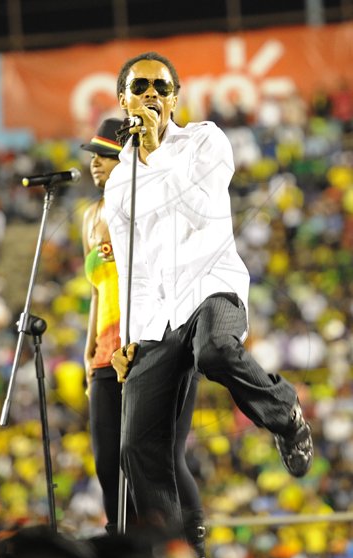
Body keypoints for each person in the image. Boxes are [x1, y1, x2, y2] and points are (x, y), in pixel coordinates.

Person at [104, 52, 314, 532]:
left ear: (175, 97)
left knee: (217, 351)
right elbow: (132, 267)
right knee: (136, 446)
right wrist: (127, 338)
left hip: (211, 289)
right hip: (156, 317)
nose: (151, 94)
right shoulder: (118, 183)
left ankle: (285, 414)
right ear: (124, 99)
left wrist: (155, 152)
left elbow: (205, 211)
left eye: (161, 86)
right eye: (140, 87)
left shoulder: (205, 140)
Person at [81, 118, 205, 558]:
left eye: (105, 154)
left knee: (162, 456)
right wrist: (89, 348)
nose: (95, 163)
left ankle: (191, 556)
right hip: (104, 354)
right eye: (93, 154)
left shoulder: (155, 205)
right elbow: (98, 289)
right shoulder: (92, 217)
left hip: (151, 345)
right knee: (107, 464)